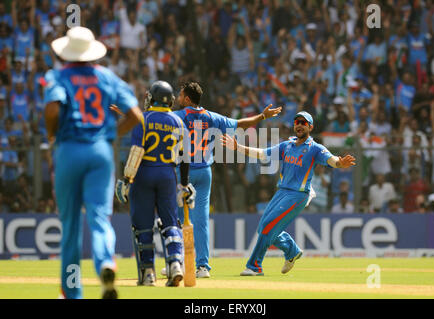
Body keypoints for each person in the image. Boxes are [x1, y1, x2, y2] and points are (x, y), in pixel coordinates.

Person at [43, 27, 143, 299]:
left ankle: (73, 292)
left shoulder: (58, 76)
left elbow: (52, 108)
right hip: (100, 153)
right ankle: (106, 263)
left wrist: (53, 134)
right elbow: (136, 114)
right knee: (100, 219)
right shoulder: (106, 77)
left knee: (71, 224)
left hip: (69, 149)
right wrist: (111, 135)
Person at [169, 81, 282, 278]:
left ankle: (176, 261)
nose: (178, 98)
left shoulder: (178, 116)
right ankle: (202, 266)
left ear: (187, 99)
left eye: (180, 95)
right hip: (205, 172)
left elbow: (153, 121)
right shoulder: (212, 117)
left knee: (176, 218)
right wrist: (263, 116)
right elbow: (241, 124)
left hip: (182, 172)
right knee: (201, 220)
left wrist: (127, 114)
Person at [222, 111, 356, 276]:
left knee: (268, 226)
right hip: (282, 191)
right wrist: (238, 147)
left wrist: (339, 163)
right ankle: (291, 250)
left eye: (303, 122)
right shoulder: (287, 145)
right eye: (297, 122)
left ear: (310, 127)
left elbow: (331, 159)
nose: (299, 125)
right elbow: (262, 154)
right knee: (263, 227)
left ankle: (254, 266)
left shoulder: (315, 148)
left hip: (298, 195)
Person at [114, 80, 195, 287]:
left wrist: (126, 180)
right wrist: (184, 185)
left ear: (154, 98)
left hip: (144, 173)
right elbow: (185, 157)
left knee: (143, 225)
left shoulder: (143, 119)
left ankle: (148, 272)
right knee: (170, 223)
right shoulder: (179, 122)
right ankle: (175, 264)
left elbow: (136, 152)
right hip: (168, 175)